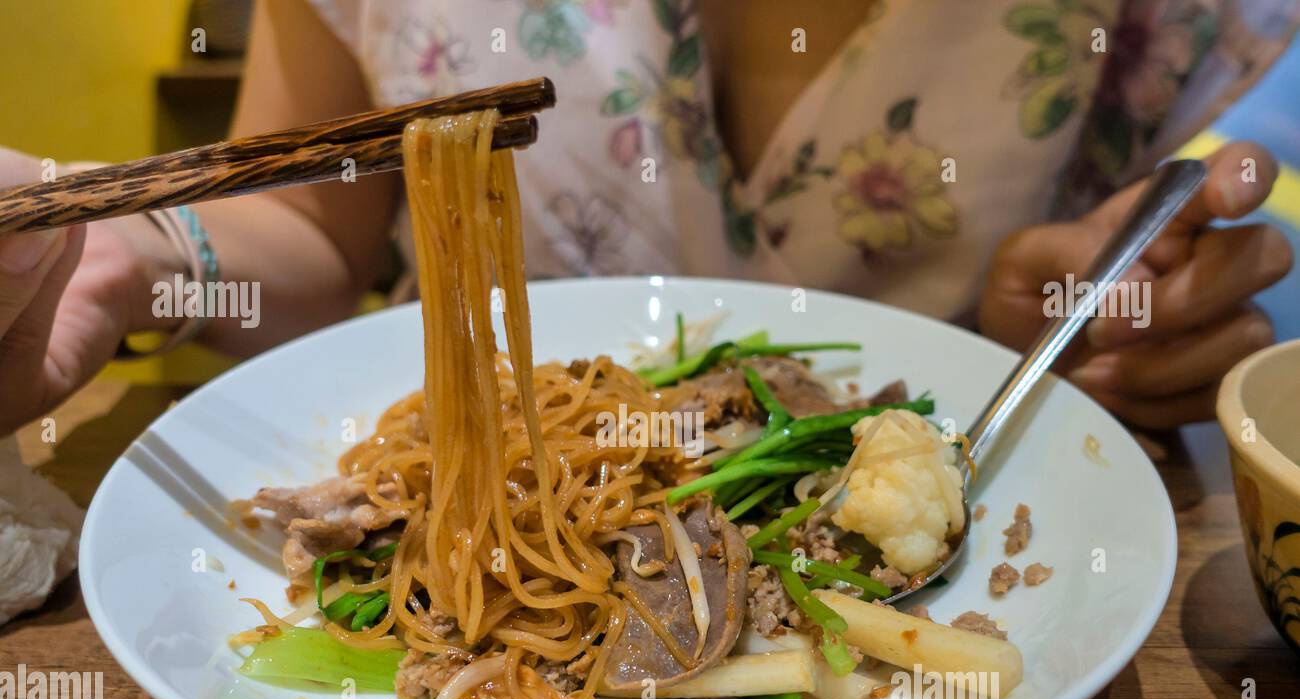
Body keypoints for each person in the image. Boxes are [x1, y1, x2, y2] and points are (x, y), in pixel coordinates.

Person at [0, 0, 1295, 439]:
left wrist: (1080, 329)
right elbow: (316, 235)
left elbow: (1103, 298)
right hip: (454, 469)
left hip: (945, 561)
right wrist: (151, 254)